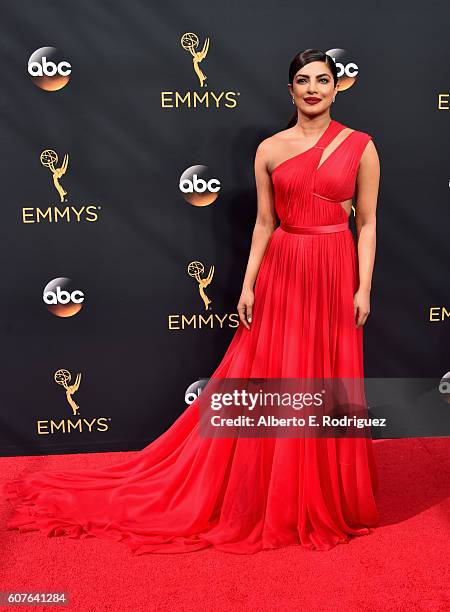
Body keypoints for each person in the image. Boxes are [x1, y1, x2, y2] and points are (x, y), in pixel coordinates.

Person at [3, 48, 380, 554]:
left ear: (337, 88)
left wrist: (364, 287)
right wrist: (248, 285)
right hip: (284, 269)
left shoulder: (361, 146)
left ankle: (324, 494)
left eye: (323, 79)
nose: (313, 88)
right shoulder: (270, 148)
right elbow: (265, 223)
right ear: (290, 90)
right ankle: (275, 491)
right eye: (303, 80)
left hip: (335, 270)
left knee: (326, 378)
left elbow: (367, 223)